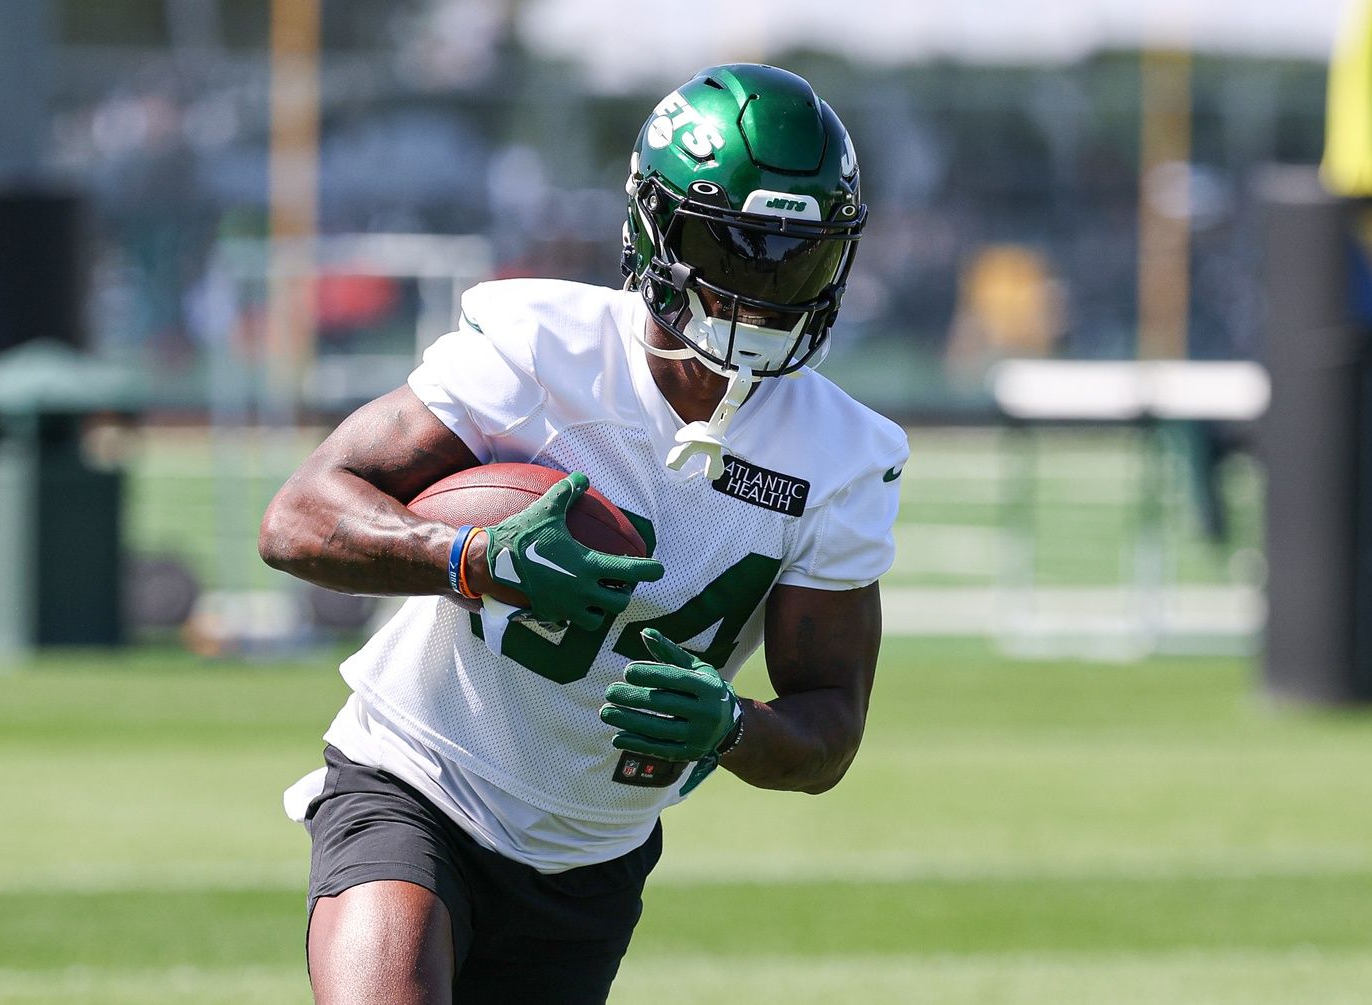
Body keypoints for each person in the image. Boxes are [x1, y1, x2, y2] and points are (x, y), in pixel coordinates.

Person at [260, 62, 908, 1005]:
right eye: (729, 249)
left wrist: (731, 726)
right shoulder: (542, 348)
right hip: (416, 775)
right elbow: (298, 517)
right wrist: (469, 558)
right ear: (654, 230)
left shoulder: (842, 454)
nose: (759, 289)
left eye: (793, 256)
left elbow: (829, 729)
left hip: (591, 853)